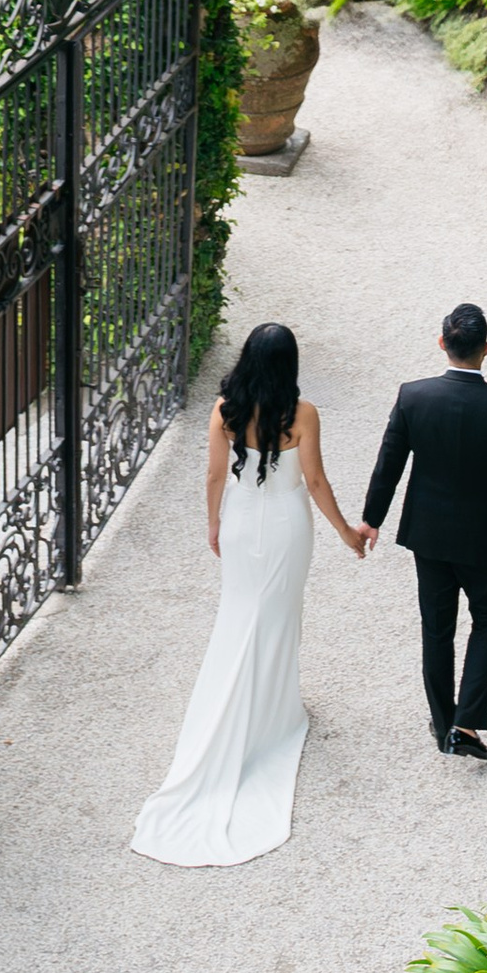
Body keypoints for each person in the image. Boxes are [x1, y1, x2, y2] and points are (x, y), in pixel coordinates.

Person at [131, 320, 367, 867]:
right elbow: (314, 483)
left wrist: (213, 525)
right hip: (286, 526)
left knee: (239, 615)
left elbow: (216, 477)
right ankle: (273, 710)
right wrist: (345, 534)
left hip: (241, 522)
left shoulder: (224, 410)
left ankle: (249, 704)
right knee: (280, 617)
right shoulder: (303, 414)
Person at [360, 302, 487, 761]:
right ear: (486, 349)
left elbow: (390, 464)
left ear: (442, 343)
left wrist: (372, 519)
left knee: (436, 629)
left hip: (430, 536)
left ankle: (445, 724)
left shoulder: (413, 397)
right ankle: (464, 723)